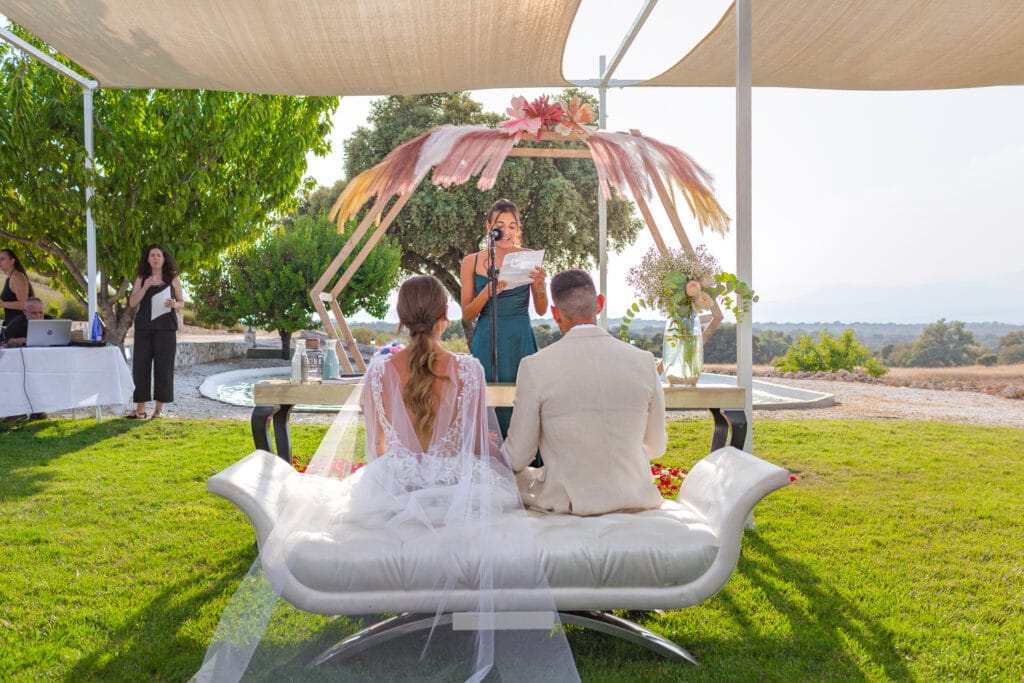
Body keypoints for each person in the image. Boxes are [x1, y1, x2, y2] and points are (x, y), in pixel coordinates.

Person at [196, 275, 578, 682]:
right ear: (444, 316)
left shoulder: (379, 371)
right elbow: (476, 448)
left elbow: (377, 447)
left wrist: (408, 471)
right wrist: (505, 467)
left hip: (398, 487)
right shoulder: (469, 370)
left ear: (401, 318)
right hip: (455, 490)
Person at [502, 269, 667, 516]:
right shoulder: (644, 361)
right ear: (599, 303)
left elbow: (517, 457)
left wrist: (491, 452)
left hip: (569, 503)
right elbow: (656, 447)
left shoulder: (534, 366)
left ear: (555, 313)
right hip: (635, 496)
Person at [460, 198, 547, 441]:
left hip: (520, 337)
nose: (507, 232)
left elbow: (541, 310)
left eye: (512, 226)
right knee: (487, 401)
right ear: (489, 227)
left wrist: (541, 285)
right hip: (487, 337)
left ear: (518, 229)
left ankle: (524, 455)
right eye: (500, 225)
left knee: (523, 401)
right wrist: (486, 293)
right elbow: (467, 314)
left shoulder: (528, 258)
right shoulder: (471, 262)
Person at [127, 244, 183, 419]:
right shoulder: (141, 277)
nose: (156, 258)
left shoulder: (172, 278)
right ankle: (140, 410)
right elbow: (132, 302)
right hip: (144, 329)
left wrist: (174, 304)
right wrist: (145, 287)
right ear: (148, 259)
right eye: (152, 255)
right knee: (140, 368)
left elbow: (181, 302)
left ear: (164, 259)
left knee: (164, 369)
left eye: (159, 255)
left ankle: (158, 410)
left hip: (166, 329)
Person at [0, 248, 34, 334]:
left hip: (20, 328)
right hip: (13, 325)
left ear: (12, 261)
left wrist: (1, 304)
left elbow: (24, 304)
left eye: (2, 259)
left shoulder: (16, 277)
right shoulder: (11, 277)